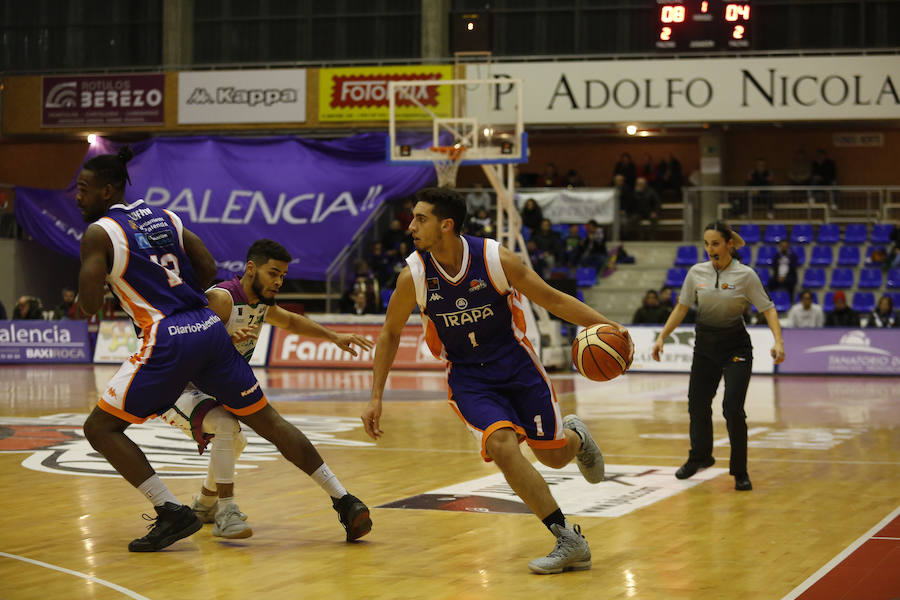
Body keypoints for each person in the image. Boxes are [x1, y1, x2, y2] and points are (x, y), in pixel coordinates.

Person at [76, 147, 372, 552]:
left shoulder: (99, 233)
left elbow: (89, 304)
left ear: (107, 189)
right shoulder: (168, 218)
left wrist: (105, 281)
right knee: (268, 422)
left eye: (83, 189)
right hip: (206, 327)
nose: (77, 197)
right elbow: (208, 266)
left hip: (166, 333)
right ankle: (345, 499)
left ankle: (170, 511)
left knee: (100, 428)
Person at [362, 187, 633, 574]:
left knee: (553, 457)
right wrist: (375, 397)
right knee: (503, 446)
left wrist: (606, 324)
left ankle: (576, 439)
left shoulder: (494, 259)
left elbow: (552, 299)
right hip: (469, 377)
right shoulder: (415, 276)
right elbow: (389, 333)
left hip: (517, 366)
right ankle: (567, 539)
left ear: (447, 225)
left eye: (421, 218)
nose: (411, 226)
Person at [158, 239, 375, 539]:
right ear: (250, 268)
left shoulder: (260, 304)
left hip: (220, 386)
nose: (278, 281)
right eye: (273, 273)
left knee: (237, 441)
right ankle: (226, 511)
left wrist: (333, 337)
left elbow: (291, 322)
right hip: (180, 389)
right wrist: (223, 341)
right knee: (226, 426)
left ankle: (204, 504)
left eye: (283, 276)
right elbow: (181, 342)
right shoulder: (222, 299)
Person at [651, 221, 785, 492]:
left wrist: (778, 342)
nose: (710, 249)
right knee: (697, 404)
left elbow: (768, 309)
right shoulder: (696, 272)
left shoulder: (745, 275)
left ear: (729, 245)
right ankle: (701, 457)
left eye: (715, 243)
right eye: (706, 243)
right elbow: (681, 307)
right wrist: (662, 336)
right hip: (705, 348)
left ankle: (740, 472)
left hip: (736, 348)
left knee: (732, 408)